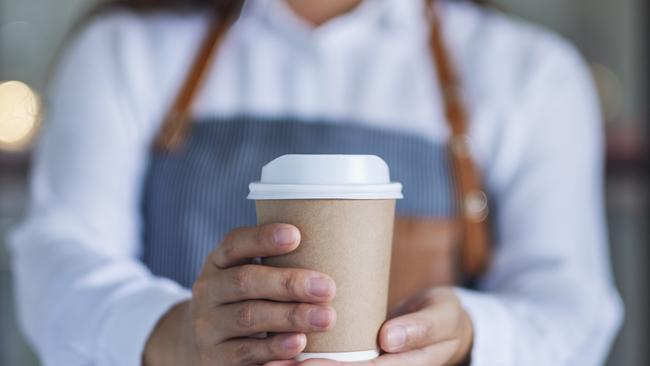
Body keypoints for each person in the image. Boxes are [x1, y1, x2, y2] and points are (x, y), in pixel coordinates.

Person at [9, 0, 623, 365]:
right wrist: (179, 335)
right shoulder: (125, 48)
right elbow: (57, 258)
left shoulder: (531, 72)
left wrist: (472, 338)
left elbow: (572, 303)